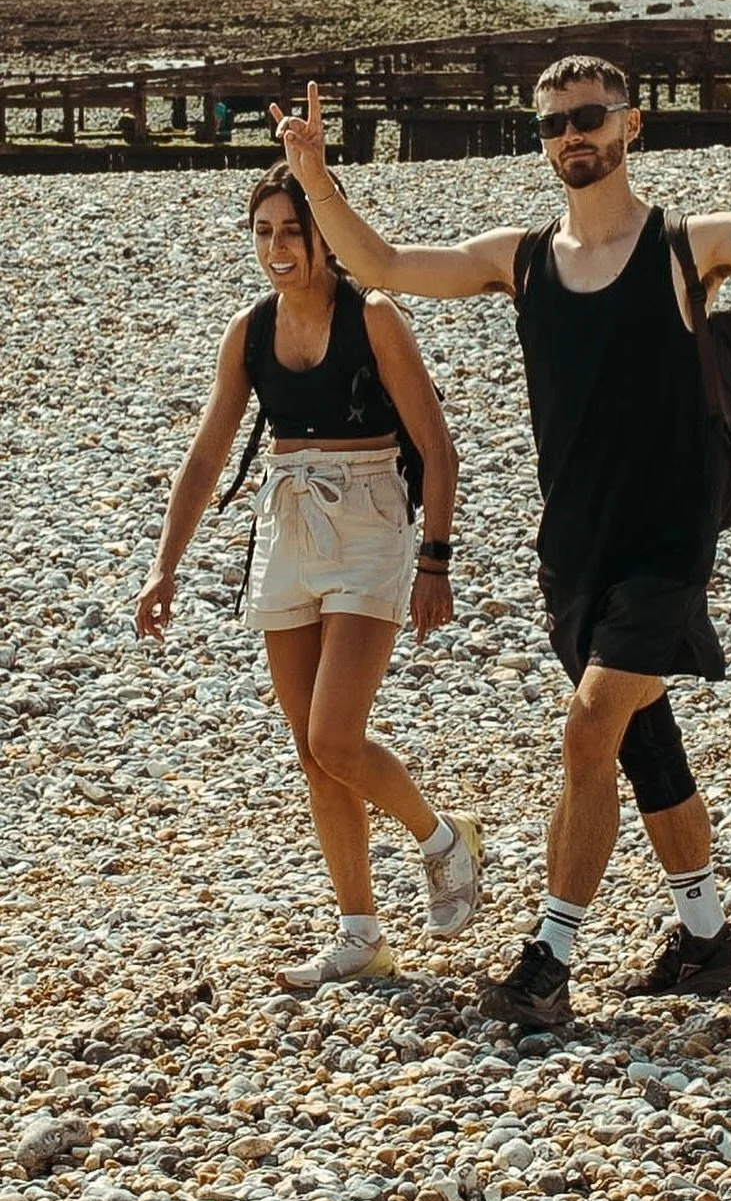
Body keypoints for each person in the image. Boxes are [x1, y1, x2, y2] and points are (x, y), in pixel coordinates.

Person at [268, 41, 731, 1028]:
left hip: (667, 547)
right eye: (554, 124)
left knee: (587, 731)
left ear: (630, 125)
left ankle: (550, 958)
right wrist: (316, 179)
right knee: (642, 740)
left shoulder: (683, 245)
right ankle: (707, 940)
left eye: (589, 117)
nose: (573, 135)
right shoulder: (522, 259)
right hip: (573, 550)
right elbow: (384, 265)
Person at [135, 162, 480, 988]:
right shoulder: (250, 331)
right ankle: (360, 934)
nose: (277, 247)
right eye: (263, 232)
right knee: (313, 753)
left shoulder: (376, 317)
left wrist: (435, 560)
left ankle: (442, 839)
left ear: (324, 237)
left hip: (369, 520)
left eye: (292, 230)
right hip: (286, 522)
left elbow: (437, 448)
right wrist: (163, 566)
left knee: (336, 735)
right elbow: (207, 455)